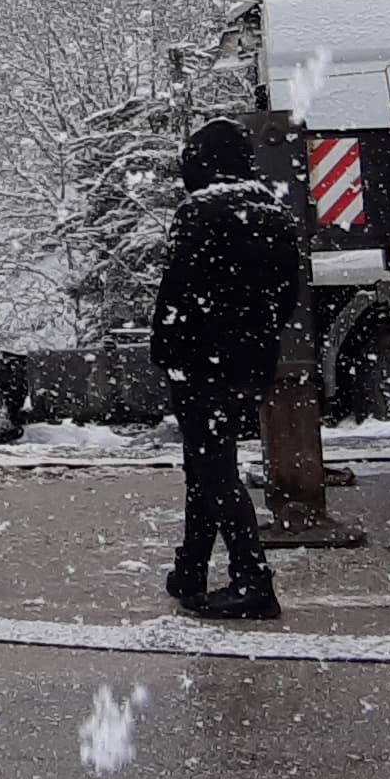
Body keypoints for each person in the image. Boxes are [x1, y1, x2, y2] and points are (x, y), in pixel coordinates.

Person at [148, 117, 303, 622]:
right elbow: (286, 295)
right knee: (209, 464)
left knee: (211, 470)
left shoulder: (200, 210)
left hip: (200, 359)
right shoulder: (274, 211)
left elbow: (180, 289)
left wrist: (166, 348)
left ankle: (252, 580)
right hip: (249, 361)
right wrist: (257, 345)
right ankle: (191, 568)